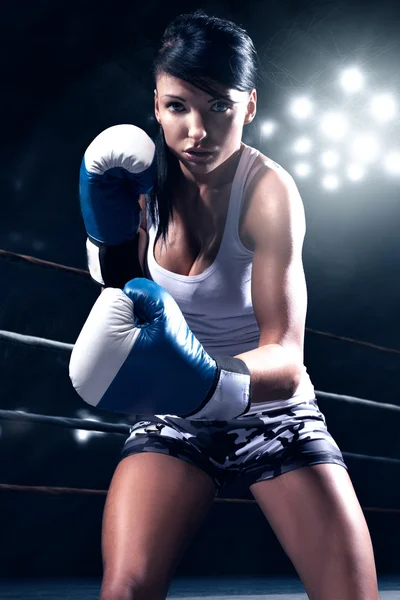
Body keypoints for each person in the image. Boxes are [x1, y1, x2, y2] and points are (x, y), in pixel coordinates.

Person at [71, 10, 380, 600]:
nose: (197, 132)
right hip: (176, 416)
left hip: (273, 412)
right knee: (125, 590)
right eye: (177, 106)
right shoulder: (140, 179)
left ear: (250, 107)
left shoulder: (268, 194)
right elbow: (124, 292)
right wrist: (105, 234)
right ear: (156, 105)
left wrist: (207, 380)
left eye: (220, 107)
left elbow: (286, 356)